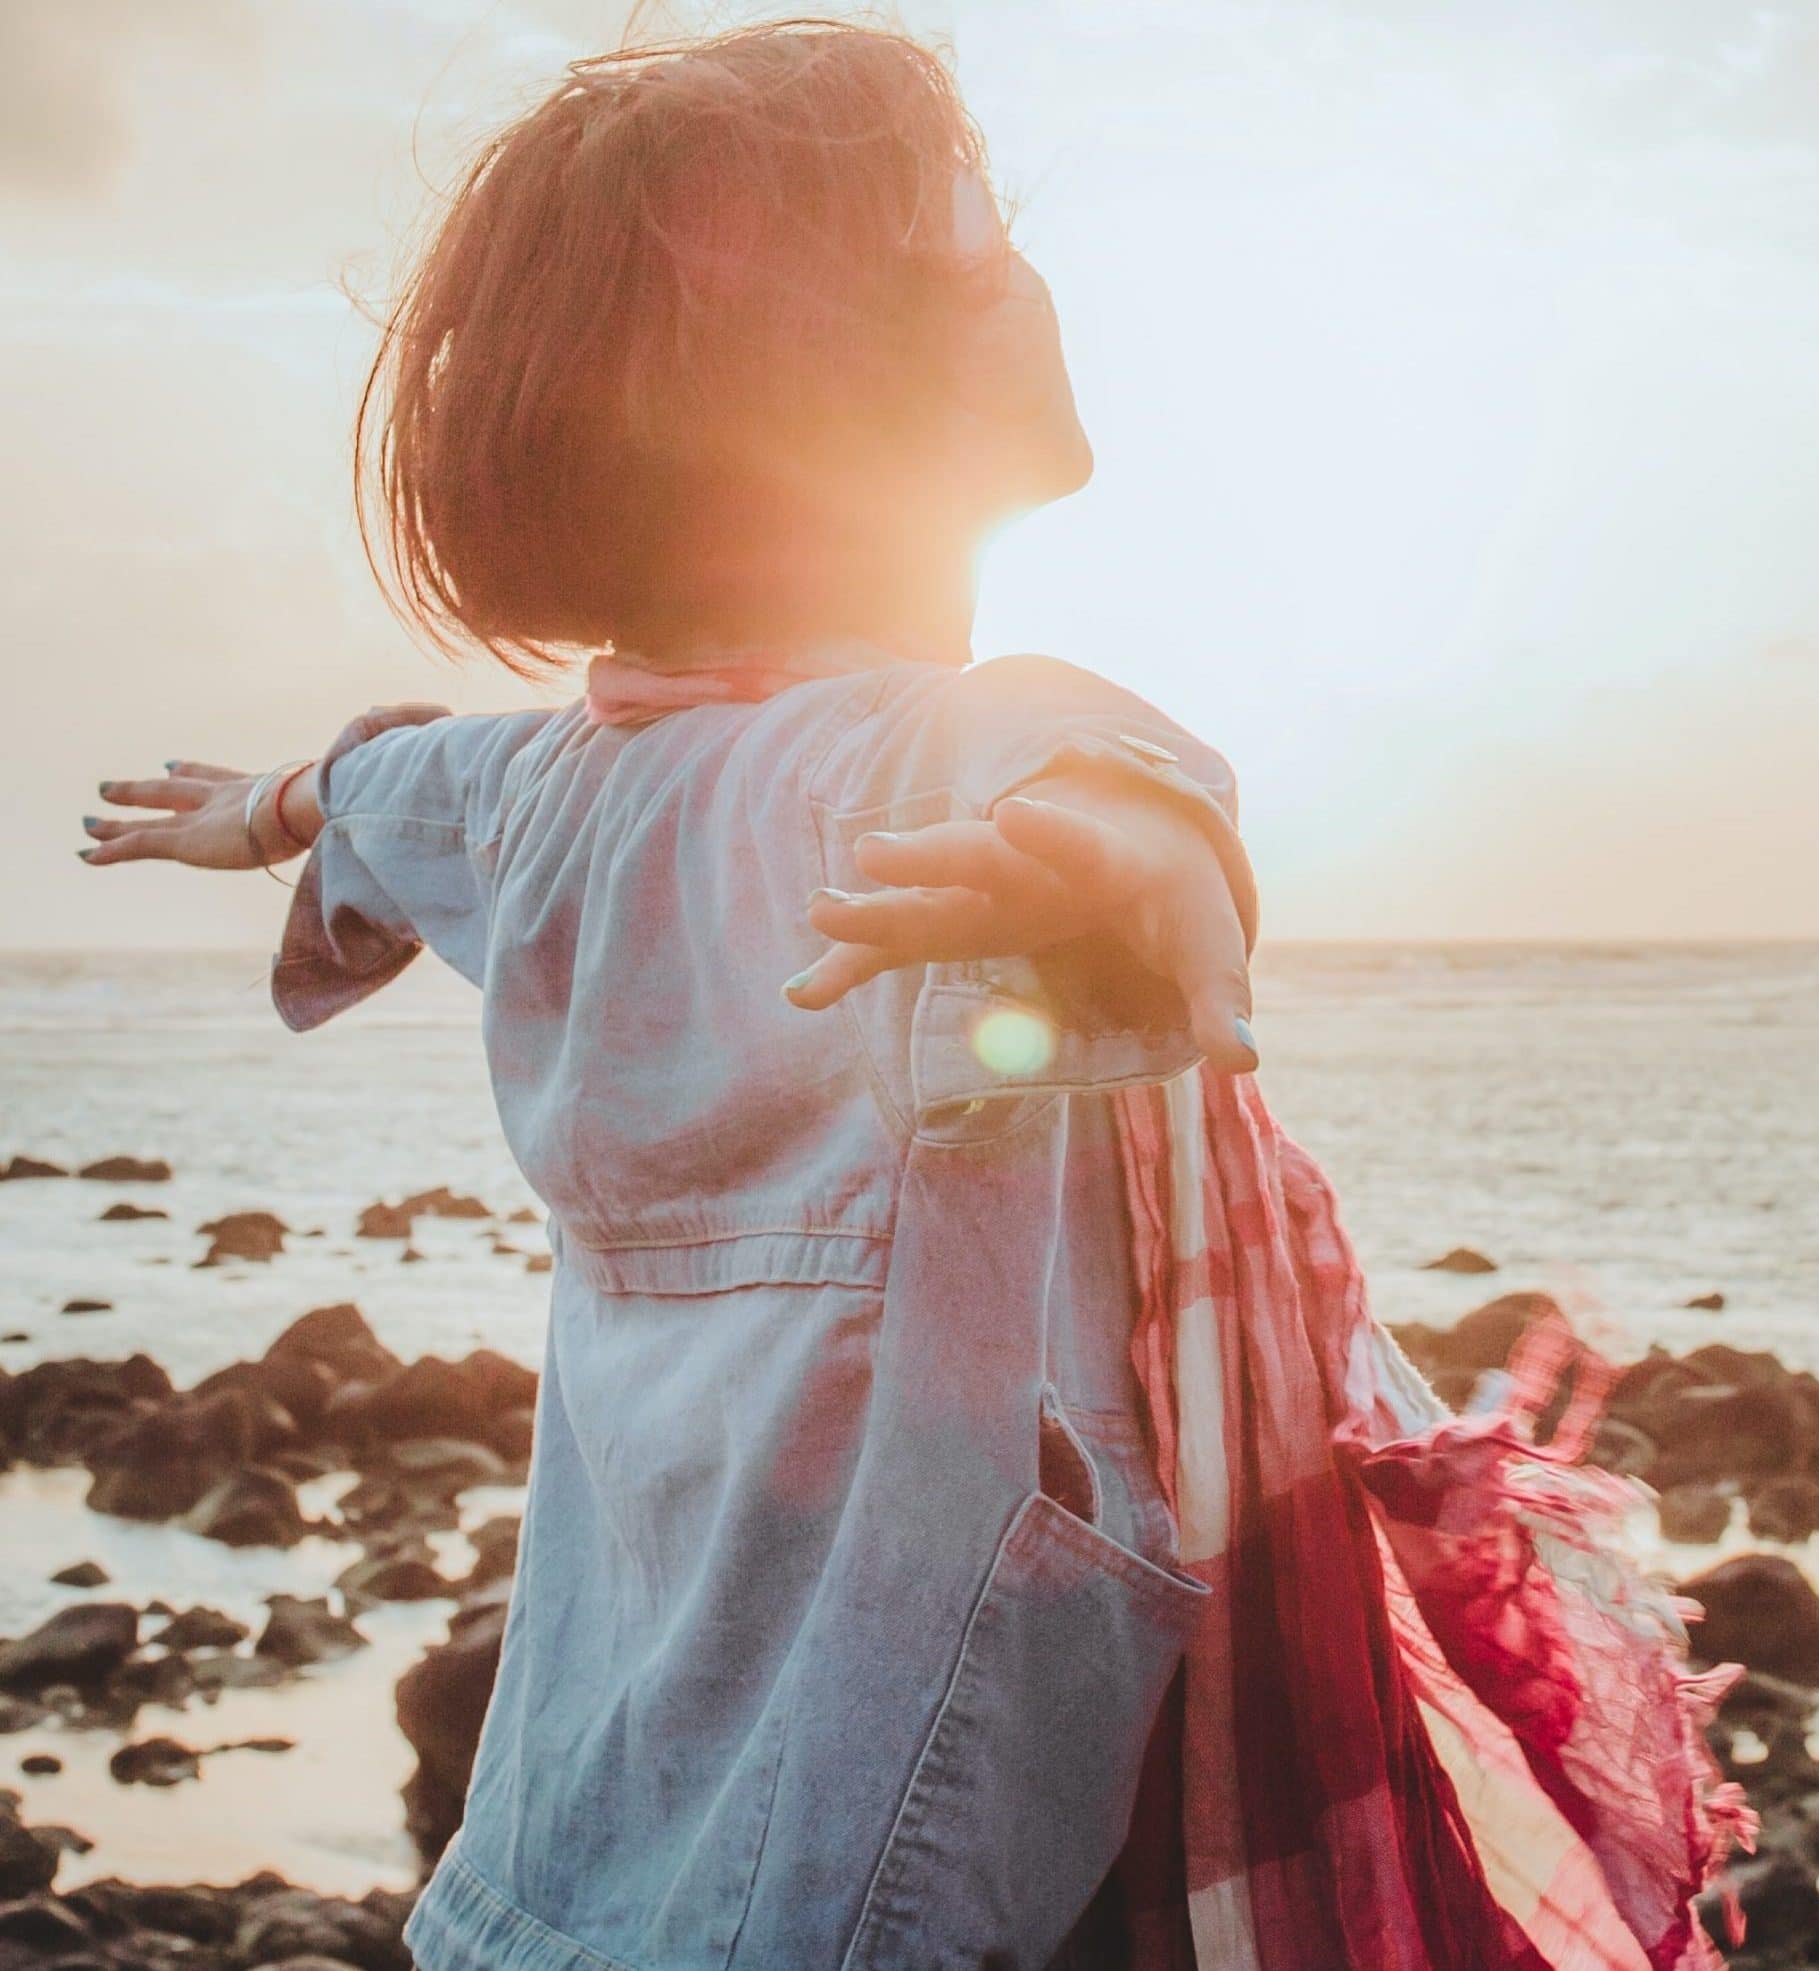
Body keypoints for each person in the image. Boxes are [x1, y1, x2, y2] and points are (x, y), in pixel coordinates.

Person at [85, 22, 1267, 1969]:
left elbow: (392, 787)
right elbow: (1075, 761)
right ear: (820, 378)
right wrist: (1127, 862)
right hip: (898, 1826)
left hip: (596, 1812)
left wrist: (267, 804)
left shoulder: (547, 789)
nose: (1028, 264)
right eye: (976, 229)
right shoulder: (915, 764)